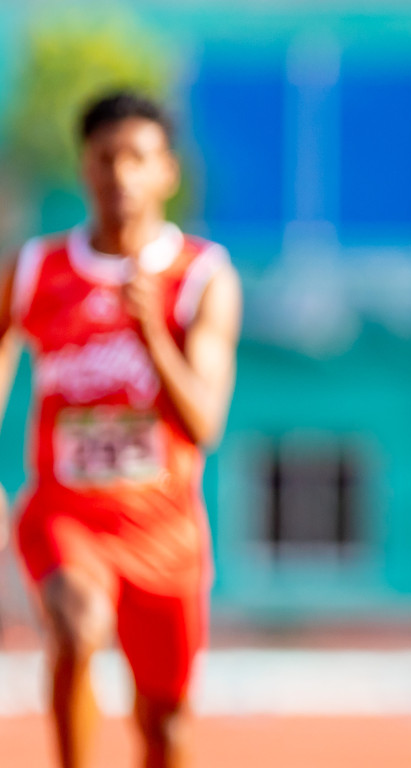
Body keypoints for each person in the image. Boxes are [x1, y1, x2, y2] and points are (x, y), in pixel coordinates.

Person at [0, 92, 242, 768]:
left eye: (137, 158)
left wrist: (150, 336)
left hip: (166, 533)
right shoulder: (35, 271)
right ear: (85, 169)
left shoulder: (203, 276)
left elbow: (206, 423)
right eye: (105, 159)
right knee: (79, 628)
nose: (120, 176)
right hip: (67, 515)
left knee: (165, 728)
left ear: (167, 171)